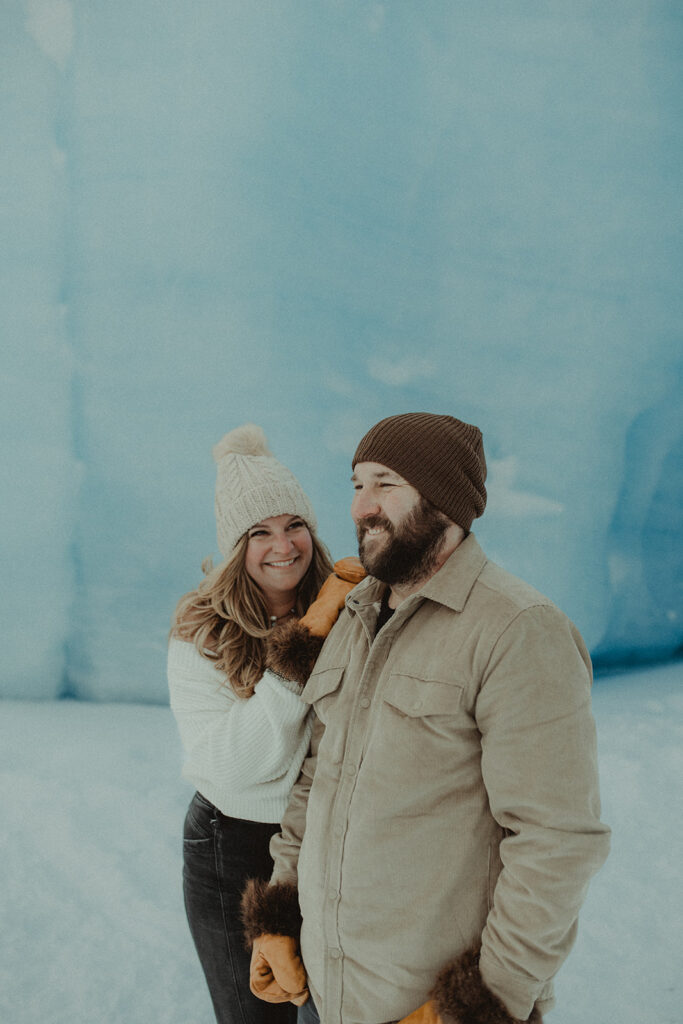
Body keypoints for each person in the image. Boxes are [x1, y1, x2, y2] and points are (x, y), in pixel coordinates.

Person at [241, 412, 611, 1024]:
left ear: (444, 499)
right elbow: (317, 778)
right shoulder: (357, 612)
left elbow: (556, 840)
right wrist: (281, 915)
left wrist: (482, 1001)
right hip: (325, 992)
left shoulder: (518, 631)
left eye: (385, 483)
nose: (362, 506)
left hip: (427, 1007)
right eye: (356, 484)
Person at [168, 424, 360, 1024]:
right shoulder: (201, 633)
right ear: (235, 546)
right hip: (236, 846)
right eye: (260, 532)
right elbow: (236, 765)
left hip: (327, 839)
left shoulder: (351, 604)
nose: (283, 545)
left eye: (293, 524)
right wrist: (300, 649)